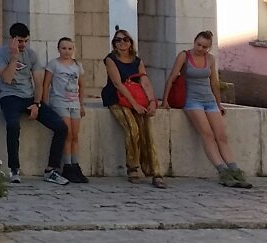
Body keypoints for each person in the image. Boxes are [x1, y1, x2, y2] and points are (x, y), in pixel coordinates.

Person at [163, 30, 252, 188]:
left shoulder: (210, 59)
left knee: (221, 136)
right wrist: (165, 101)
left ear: (209, 48)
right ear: (194, 42)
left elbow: (214, 83)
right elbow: (172, 77)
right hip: (192, 101)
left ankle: (235, 170)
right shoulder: (184, 56)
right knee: (207, 134)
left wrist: (218, 104)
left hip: (209, 100)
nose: (201, 49)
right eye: (199, 44)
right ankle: (222, 171)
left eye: (205, 47)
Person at [0, 22, 70, 184]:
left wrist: (37, 103)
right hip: (9, 96)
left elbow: (39, 82)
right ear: (12, 39)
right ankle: (14, 169)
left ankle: (51, 170)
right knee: (13, 125)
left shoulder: (31, 55)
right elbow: (6, 78)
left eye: (25, 41)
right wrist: (14, 57)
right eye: (20, 41)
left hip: (29, 97)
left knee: (61, 127)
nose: (23, 45)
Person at [102, 28, 167, 188]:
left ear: (131, 43)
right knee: (132, 128)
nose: (122, 42)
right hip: (116, 97)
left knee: (147, 130)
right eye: (118, 40)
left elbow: (144, 81)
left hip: (135, 97)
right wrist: (134, 105)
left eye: (125, 39)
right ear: (114, 44)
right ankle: (132, 167)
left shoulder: (137, 61)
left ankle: (155, 172)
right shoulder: (110, 59)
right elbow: (117, 84)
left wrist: (151, 101)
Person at [46, 37, 88, 183]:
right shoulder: (54, 64)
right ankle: (67, 166)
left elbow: (81, 85)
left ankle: (75, 165)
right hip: (59, 102)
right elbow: (46, 84)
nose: (67, 51)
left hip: (74, 103)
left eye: (70, 48)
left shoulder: (77, 66)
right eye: (64, 48)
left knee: (75, 135)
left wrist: (81, 104)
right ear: (59, 49)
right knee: (67, 134)